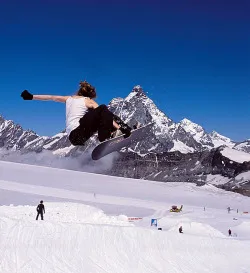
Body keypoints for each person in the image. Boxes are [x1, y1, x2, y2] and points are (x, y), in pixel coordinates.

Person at [21, 81, 131, 145]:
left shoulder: (68, 98)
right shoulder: (88, 100)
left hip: (74, 138)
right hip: (79, 133)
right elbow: (107, 115)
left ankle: (114, 133)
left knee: (99, 118)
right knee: (103, 109)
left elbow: (50, 97)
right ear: (89, 95)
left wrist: (31, 97)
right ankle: (112, 133)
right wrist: (120, 128)